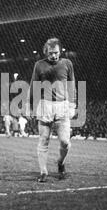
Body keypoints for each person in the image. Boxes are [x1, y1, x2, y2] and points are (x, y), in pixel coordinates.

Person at [28, 37, 76, 183]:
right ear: (45, 52)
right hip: (45, 106)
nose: (54, 56)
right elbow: (33, 86)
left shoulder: (67, 64)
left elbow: (71, 84)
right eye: (50, 53)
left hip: (62, 106)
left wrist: (72, 104)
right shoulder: (39, 65)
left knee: (65, 142)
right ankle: (43, 172)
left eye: (56, 52)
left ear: (60, 51)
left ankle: (60, 163)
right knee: (43, 140)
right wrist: (29, 106)